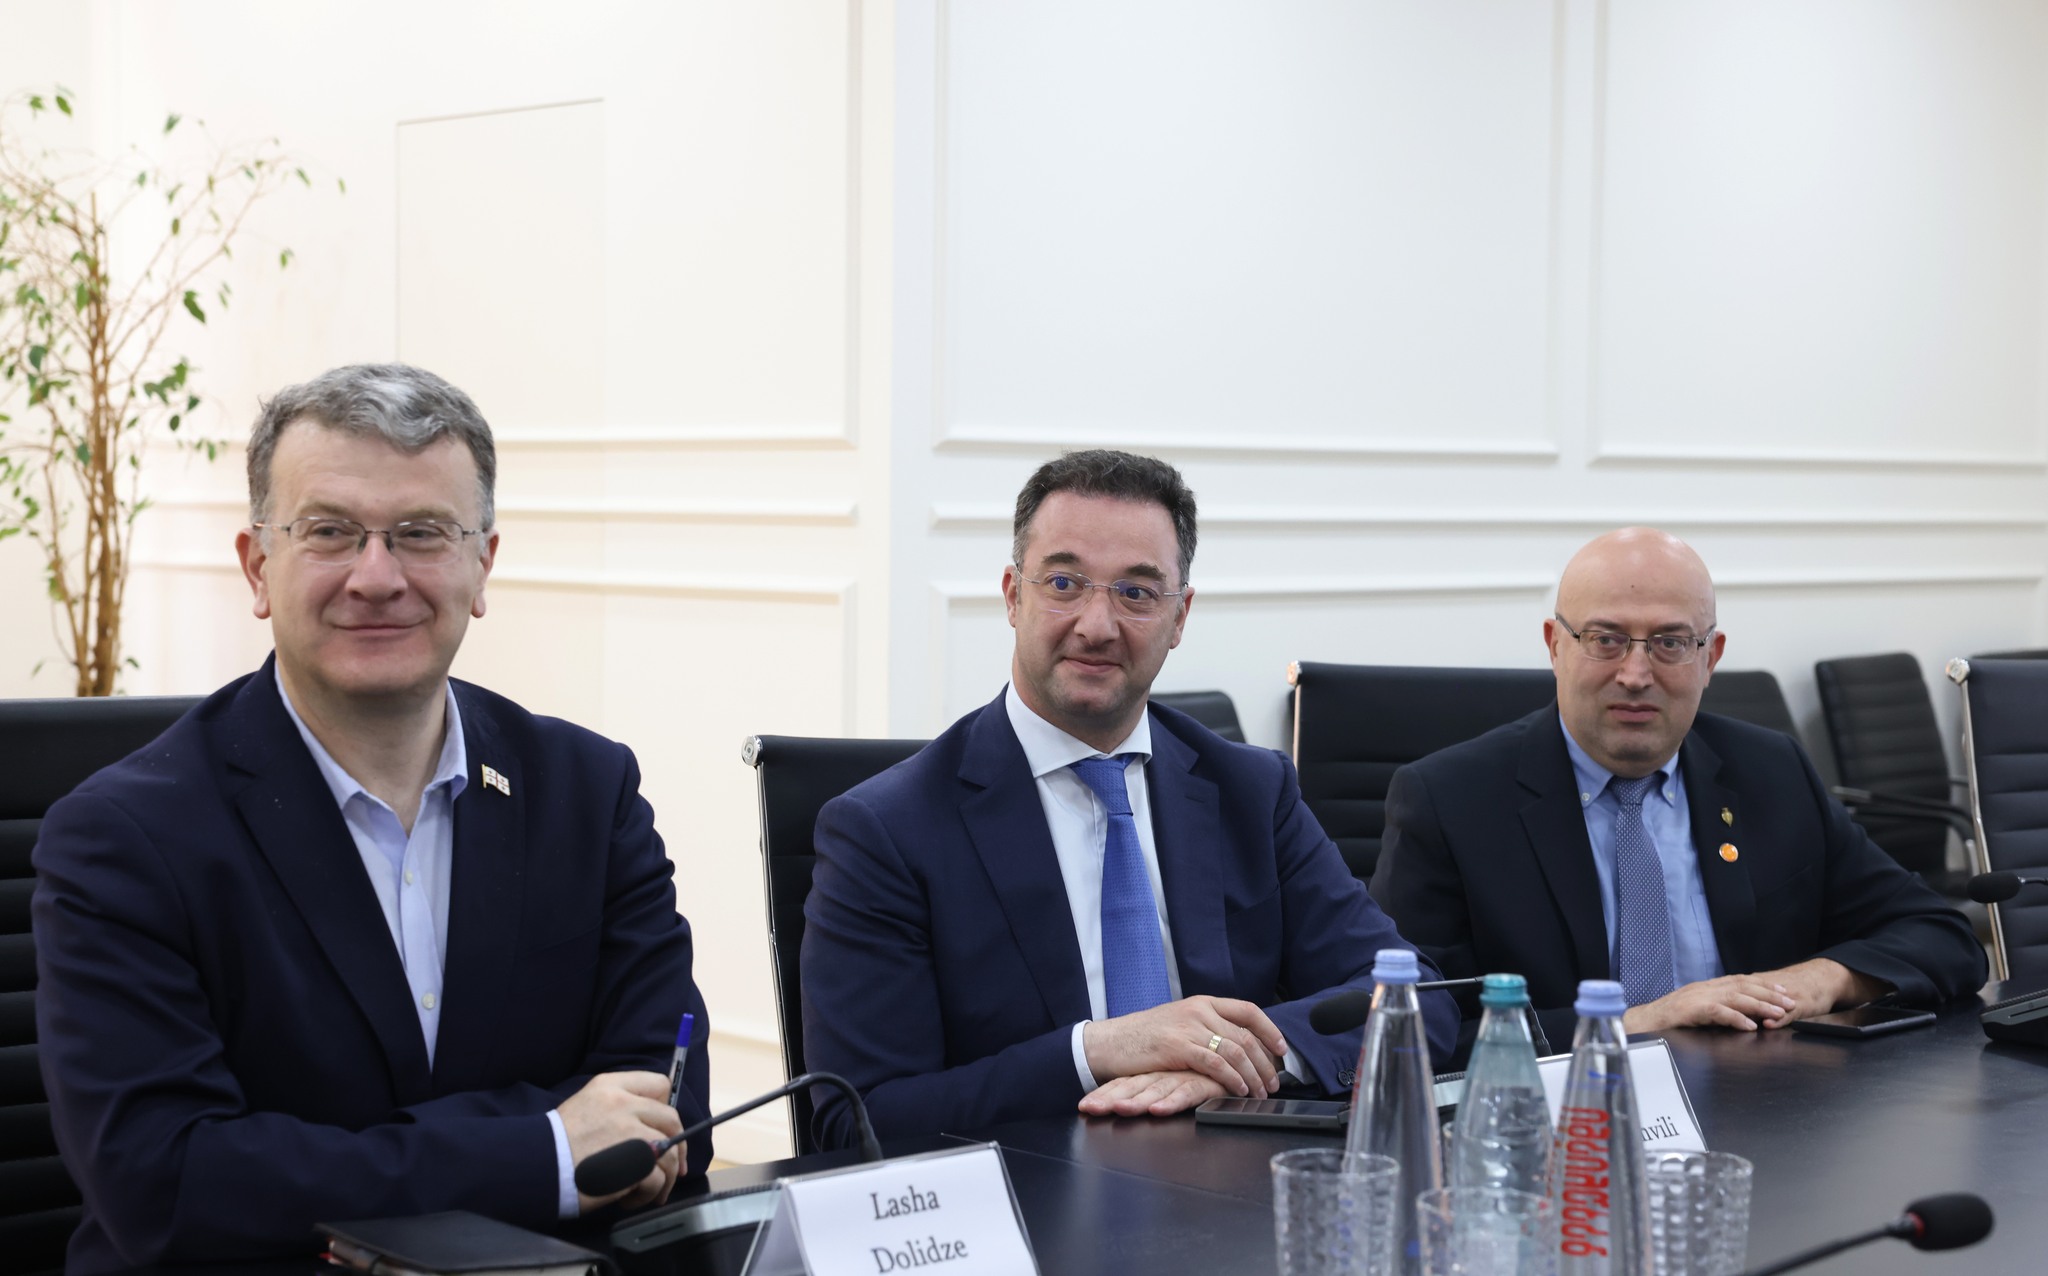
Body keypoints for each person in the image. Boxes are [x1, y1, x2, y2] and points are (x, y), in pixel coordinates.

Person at [32, 365, 712, 1273]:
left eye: (421, 533)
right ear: (257, 566)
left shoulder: (589, 791)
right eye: (330, 532)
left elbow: (669, 1113)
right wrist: (542, 1149)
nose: (377, 576)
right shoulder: (121, 838)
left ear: (482, 566)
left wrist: (325, 1157)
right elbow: (170, 1182)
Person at [799, 449, 1455, 1150]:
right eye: (1064, 583)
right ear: (1013, 597)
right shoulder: (886, 829)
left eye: (1136, 593)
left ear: (1180, 617)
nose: (1097, 625)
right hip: (1030, 1193)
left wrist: (1234, 1060)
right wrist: (1097, 1050)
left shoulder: (1250, 791)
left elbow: (1417, 1002)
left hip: (1231, 1186)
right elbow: (859, 1120)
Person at [1371, 527, 1986, 1051]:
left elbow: (1942, 935)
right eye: (1605, 639)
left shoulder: (1770, 771)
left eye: (1670, 642)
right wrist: (1637, 1023)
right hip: (1560, 1120)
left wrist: (1817, 982)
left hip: (1763, 1112)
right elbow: (1409, 1026)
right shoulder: (1450, 800)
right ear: (1555, 646)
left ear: (1710, 658)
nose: (1635, 674)